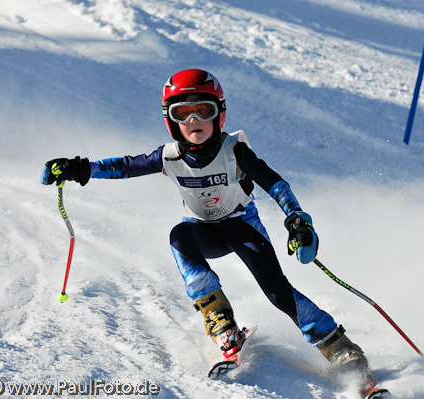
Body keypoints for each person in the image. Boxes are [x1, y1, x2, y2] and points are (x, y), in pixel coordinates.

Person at [40, 69, 385, 398]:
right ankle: (220, 320)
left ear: (218, 114)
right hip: (203, 232)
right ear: (170, 119)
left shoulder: (233, 150)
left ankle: (341, 348)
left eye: (202, 111)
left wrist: (297, 219)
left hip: (242, 228)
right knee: (179, 236)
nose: (193, 122)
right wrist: (78, 168)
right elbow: (125, 166)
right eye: (183, 113)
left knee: (278, 293)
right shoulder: (170, 156)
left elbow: (274, 182)